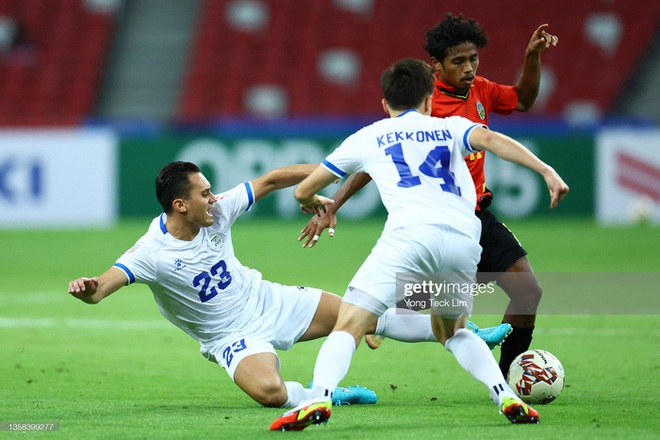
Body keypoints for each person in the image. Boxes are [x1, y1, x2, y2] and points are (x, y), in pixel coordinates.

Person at [270, 58, 568, 430]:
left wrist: (317, 203)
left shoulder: (369, 135)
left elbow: (304, 189)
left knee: (349, 322)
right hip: (463, 240)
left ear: (385, 104)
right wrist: (546, 170)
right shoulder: (451, 127)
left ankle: (318, 398)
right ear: (429, 100)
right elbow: (492, 139)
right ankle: (503, 393)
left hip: (409, 236)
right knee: (453, 330)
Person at [67, 161, 506, 412]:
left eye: (211, 189)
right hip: (230, 337)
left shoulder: (217, 211)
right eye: (204, 193)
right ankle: (320, 396)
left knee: (366, 311)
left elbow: (272, 180)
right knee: (271, 394)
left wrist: (320, 184)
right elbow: (102, 287)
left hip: (270, 300)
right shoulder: (151, 252)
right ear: (180, 205)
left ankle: (459, 326)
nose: (214, 197)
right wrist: (87, 286)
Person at [298, 13, 559, 376]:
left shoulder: (480, 89)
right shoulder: (424, 101)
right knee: (441, 298)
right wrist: (334, 203)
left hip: (476, 214)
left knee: (527, 290)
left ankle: (510, 375)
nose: (469, 68)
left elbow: (524, 100)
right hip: (435, 213)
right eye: (458, 61)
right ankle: (383, 316)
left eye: (473, 59)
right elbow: (373, 160)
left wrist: (532, 57)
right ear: (436, 65)